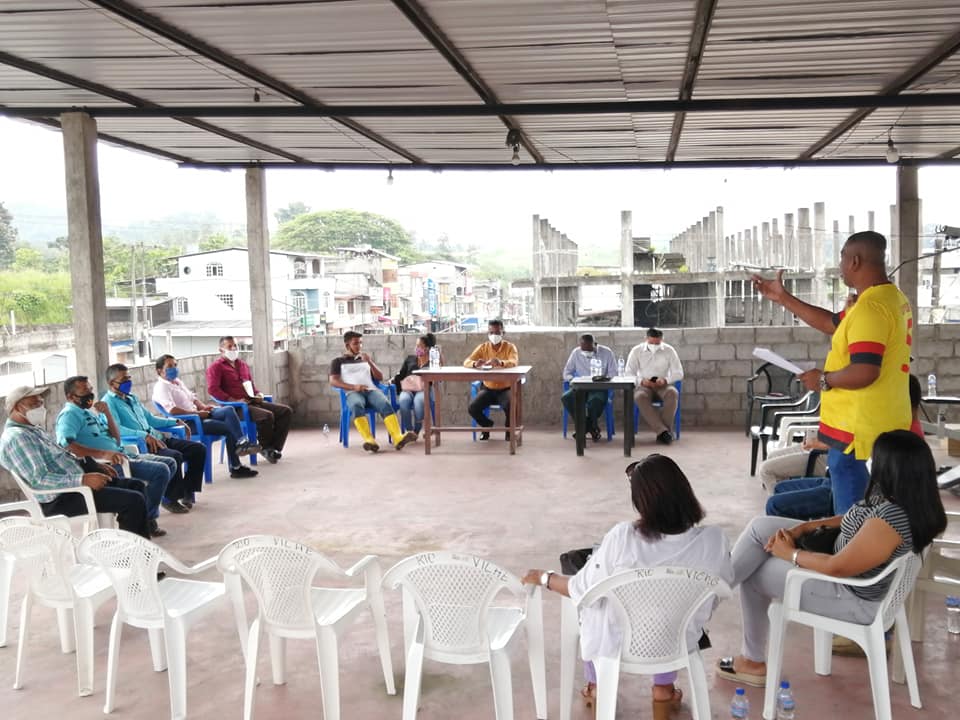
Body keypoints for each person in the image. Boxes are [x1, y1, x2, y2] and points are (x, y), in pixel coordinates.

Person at [717, 430, 947, 687]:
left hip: (850, 597)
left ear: (891, 469)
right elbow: (854, 516)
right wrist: (805, 528)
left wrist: (791, 554)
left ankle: (750, 659)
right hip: (846, 575)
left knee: (756, 573)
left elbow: (837, 567)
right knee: (761, 527)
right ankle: (711, 595)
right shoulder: (904, 502)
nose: (871, 463)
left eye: (876, 459)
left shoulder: (890, 521)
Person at [522, 455, 733, 719]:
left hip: (619, 644)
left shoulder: (623, 537)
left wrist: (545, 578)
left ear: (641, 501)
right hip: (677, 640)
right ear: (685, 491)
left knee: (590, 604)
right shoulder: (714, 540)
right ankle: (663, 690)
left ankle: (597, 686)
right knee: (666, 610)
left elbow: (580, 589)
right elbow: (722, 589)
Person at [752, 231, 912, 514]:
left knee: (851, 520)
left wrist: (823, 380)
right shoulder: (889, 298)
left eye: (841, 258)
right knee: (856, 507)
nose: (840, 266)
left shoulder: (870, 309)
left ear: (855, 261)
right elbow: (832, 323)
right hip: (878, 421)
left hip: (856, 430)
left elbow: (865, 371)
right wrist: (783, 298)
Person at [764, 374, 927, 521]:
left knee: (774, 503)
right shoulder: (896, 425)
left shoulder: (903, 434)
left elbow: (879, 485)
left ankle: (794, 538)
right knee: (779, 489)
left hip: (856, 487)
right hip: (838, 478)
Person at [0, 385, 149, 538]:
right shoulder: (19, 438)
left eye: (41, 403)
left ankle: (134, 540)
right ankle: (132, 549)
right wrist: (83, 480)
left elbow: (61, 457)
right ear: (18, 407)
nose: (41, 408)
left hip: (73, 487)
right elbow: (39, 480)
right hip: (60, 498)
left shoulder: (32, 430)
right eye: (35, 404)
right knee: (132, 501)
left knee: (136, 486)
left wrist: (94, 466)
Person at [55, 375, 176, 537]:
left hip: (122, 454)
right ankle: (148, 518)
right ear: (70, 396)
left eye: (90, 389)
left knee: (169, 463)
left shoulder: (87, 413)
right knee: (160, 471)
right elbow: (66, 445)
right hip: (107, 463)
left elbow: (116, 439)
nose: (90, 394)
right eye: (84, 391)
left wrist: (107, 413)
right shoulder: (69, 415)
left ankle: (145, 514)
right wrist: (103, 454)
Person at [101, 363, 207, 513]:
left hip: (157, 438)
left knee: (198, 449)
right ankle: (170, 498)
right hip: (141, 444)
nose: (128, 382)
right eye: (124, 379)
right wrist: (143, 435)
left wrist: (175, 421)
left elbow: (150, 419)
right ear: (112, 383)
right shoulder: (108, 402)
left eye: (129, 378)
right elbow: (117, 429)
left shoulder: (132, 398)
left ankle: (187, 491)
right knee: (174, 456)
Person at [153, 354, 260, 478]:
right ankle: (236, 467)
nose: (174, 369)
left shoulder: (177, 382)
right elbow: (172, 410)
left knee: (229, 410)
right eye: (170, 366)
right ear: (159, 371)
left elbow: (192, 398)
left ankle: (242, 443)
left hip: (199, 414)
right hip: (189, 422)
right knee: (229, 428)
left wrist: (203, 407)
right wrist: (197, 414)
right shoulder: (161, 387)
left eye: (175, 365)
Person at [206, 336, 292, 464]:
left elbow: (250, 384)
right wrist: (234, 400)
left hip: (252, 401)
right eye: (229, 346)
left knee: (285, 411)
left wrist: (258, 394)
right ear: (221, 350)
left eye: (235, 346)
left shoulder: (242, 365)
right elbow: (213, 389)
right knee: (267, 416)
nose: (233, 349)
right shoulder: (216, 367)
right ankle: (266, 447)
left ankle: (273, 448)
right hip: (236, 408)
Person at [329, 331, 417, 453]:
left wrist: (369, 361)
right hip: (353, 392)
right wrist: (354, 387)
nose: (359, 346)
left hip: (370, 390)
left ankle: (398, 438)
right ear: (347, 345)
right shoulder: (338, 361)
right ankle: (369, 440)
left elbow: (379, 377)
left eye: (360, 343)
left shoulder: (364, 359)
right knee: (356, 405)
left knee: (385, 403)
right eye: (356, 343)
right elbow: (333, 381)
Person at [624, 327, 684, 445]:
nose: (654, 346)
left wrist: (666, 380)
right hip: (644, 385)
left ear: (662, 340)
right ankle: (664, 432)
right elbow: (628, 373)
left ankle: (663, 433)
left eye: (657, 343)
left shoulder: (669, 350)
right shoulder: (636, 351)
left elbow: (679, 373)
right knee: (639, 397)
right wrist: (641, 381)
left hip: (663, 385)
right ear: (646, 339)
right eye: (652, 343)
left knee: (673, 393)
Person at [464, 319, 520, 441]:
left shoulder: (510, 347)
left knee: (511, 405)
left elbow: (514, 362)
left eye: (497, 333)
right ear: (488, 333)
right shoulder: (483, 348)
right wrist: (475, 364)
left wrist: (500, 362)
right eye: (491, 333)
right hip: (488, 389)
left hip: (505, 388)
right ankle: (486, 425)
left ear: (503, 332)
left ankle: (509, 432)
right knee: (473, 408)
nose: (494, 335)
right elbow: (467, 361)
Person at [560, 334, 618, 442]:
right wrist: (573, 379)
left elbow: (614, 373)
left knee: (594, 401)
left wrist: (603, 379)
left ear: (594, 344)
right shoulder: (576, 353)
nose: (586, 352)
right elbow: (566, 373)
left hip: (599, 388)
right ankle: (591, 427)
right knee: (566, 398)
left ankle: (584, 428)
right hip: (581, 387)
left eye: (589, 349)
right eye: (584, 349)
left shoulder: (607, 352)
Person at [392, 333, 438, 437]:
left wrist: (436, 357)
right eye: (416, 345)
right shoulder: (410, 359)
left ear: (427, 348)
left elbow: (437, 376)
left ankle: (416, 430)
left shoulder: (432, 362)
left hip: (423, 389)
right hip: (408, 389)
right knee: (403, 401)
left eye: (419, 346)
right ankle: (409, 431)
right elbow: (401, 374)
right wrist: (393, 380)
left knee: (418, 402)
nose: (416, 348)